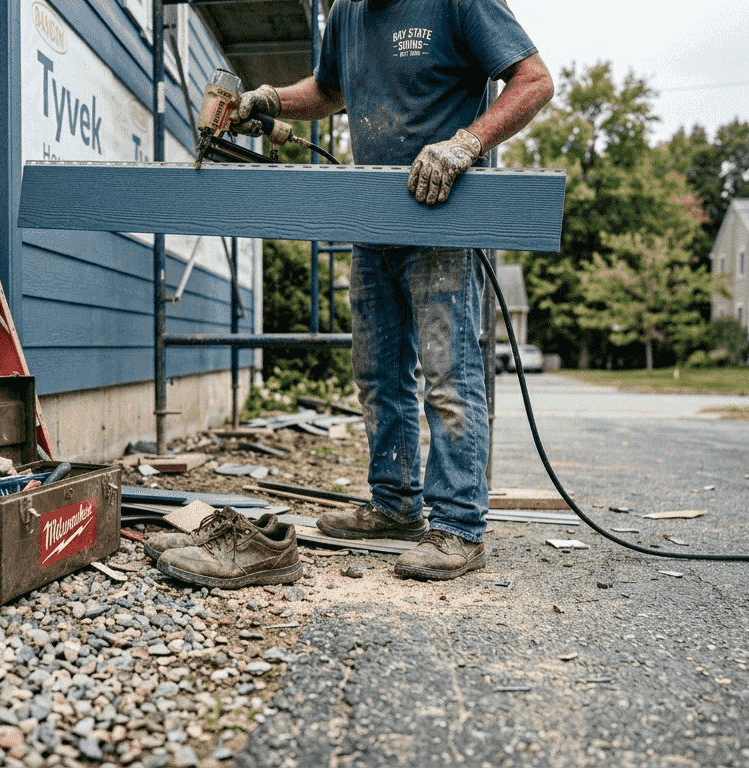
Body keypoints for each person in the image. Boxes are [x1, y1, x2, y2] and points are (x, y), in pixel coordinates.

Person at [233, 0, 554, 579]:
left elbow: (534, 81)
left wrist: (466, 144)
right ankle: (395, 504)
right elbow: (328, 91)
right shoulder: (348, 13)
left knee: (448, 374)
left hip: (443, 216)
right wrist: (271, 100)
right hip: (373, 219)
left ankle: (458, 527)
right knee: (378, 374)